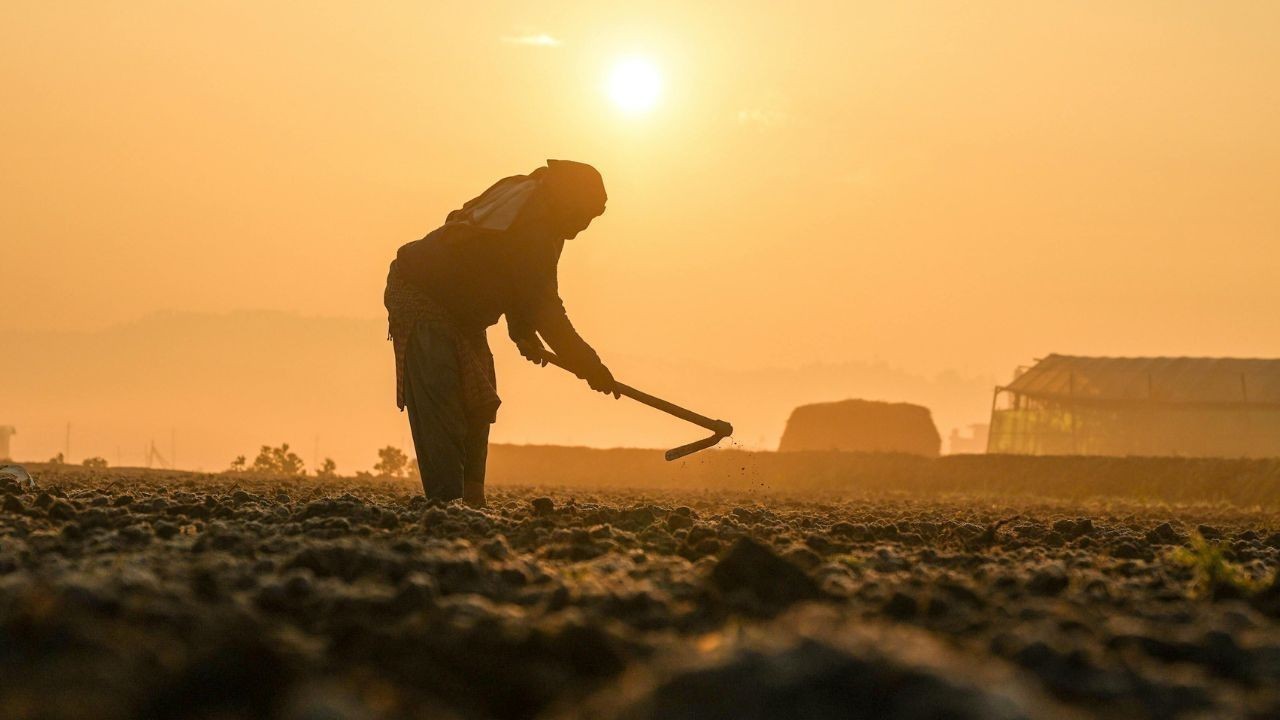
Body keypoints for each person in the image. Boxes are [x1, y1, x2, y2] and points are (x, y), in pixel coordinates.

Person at [384, 160, 618, 505]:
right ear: (568, 200)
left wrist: (522, 331)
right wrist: (591, 367)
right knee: (442, 400)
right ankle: (447, 505)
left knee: (478, 401)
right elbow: (546, 308)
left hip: (464, 313)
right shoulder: (533, 224)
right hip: (422, 294)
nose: (583, 227)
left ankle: (472, 502)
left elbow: (517, 281)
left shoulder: (540, 212)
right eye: (584, 215)